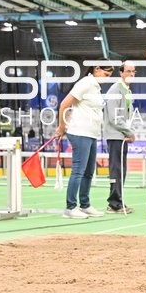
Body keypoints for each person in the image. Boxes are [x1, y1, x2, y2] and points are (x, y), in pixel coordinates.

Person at [54, 64, 114, 219]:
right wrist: (61, 126)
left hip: (91, 134)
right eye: (106, 74)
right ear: (96, 69)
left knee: (88, 172)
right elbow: (64, 105)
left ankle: (85, 205)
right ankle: (70, 207)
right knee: (78, 171)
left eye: (109, 76)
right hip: (80, 132)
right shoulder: (85, 83)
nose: (107, 78)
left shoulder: (96, 87)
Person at [104, 61, 136, 214]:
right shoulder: (115, 90)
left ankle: (118, 201)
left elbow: (127, 116)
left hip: (122, 136)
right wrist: (129, 131)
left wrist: (129, 131)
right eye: (128, 71)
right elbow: (114, 117)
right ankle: (114, 204)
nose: (131, 74)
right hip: (115, 136)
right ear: (121, 72)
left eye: (133, 71)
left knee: (121, 170)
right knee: (116, 170)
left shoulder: (126, 90)